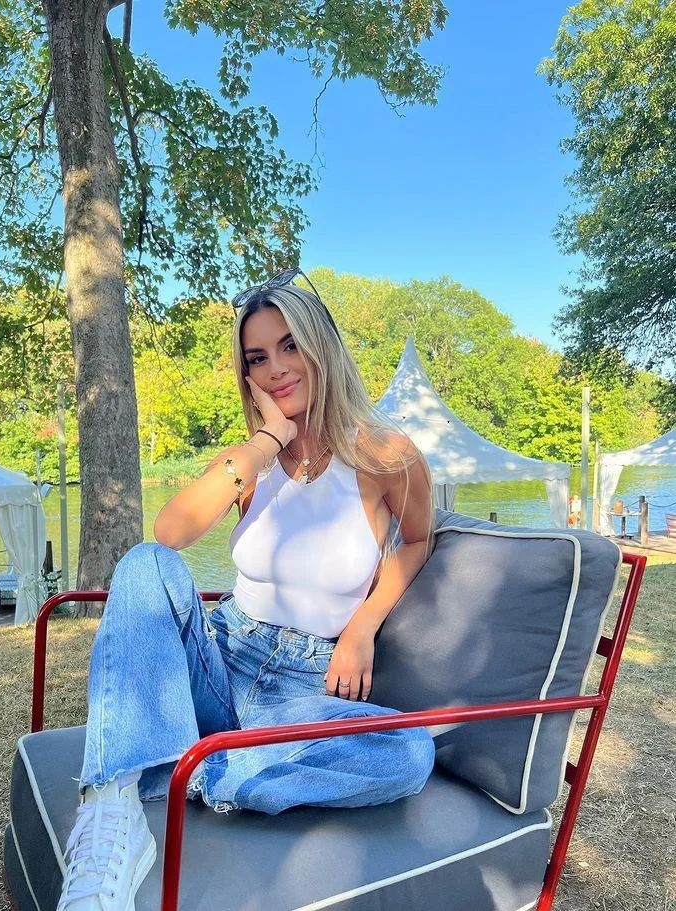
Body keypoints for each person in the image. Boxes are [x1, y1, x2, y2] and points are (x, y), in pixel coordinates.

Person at [56, 268, 436, 911]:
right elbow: (169, 534)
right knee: (146, 564)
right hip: (221, 656)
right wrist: (268, 441)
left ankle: (192, 767)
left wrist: (361, 627)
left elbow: (417, 542)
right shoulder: (249, 460)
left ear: (321, 347)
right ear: (246, 373)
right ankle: (111, 815)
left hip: (304, 688)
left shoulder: (384, 453)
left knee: (407, 752)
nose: (276, 368)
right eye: (257, 357)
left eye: (290, 346)